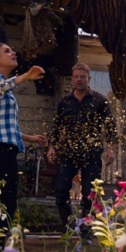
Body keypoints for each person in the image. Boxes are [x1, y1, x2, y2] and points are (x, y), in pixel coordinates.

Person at [0, 42, 47, 248]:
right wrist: (25, 76)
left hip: (6, 147)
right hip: (0, 149)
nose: (13, 53)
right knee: (6, 200)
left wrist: (29, 138)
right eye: (7, 51)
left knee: (8, 200)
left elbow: (5, 127)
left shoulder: (7, 88)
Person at [48, 63, 114, 238]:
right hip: (68, 152)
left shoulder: (99, 101)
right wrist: (52, 147)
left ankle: (86, 230)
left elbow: (110, 127)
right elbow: (57, 127)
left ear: (88, 79)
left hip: (92, 152)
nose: (79, 80)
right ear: (72, 78)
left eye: (82, 77)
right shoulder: (65, 102)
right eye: (76, 76)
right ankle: (69, 227)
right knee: (61, 190)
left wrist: (110, 149)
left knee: (90, 193)